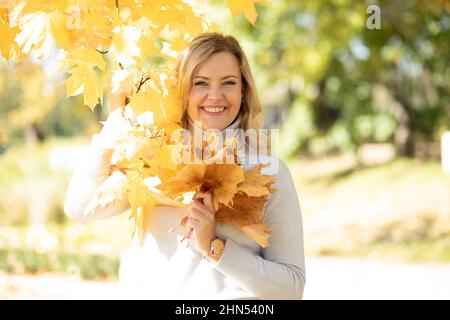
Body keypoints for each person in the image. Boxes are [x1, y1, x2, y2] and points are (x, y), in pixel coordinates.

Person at [64, 32, 306, 300]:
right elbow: (79, 206)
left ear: (243, 90)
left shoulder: (267, 170)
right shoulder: (151, 160)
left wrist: (214, 247)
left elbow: (291, 288)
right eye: (200, 83)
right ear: (182, 89)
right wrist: (114, 126)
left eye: (228, 83)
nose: (215, 95)